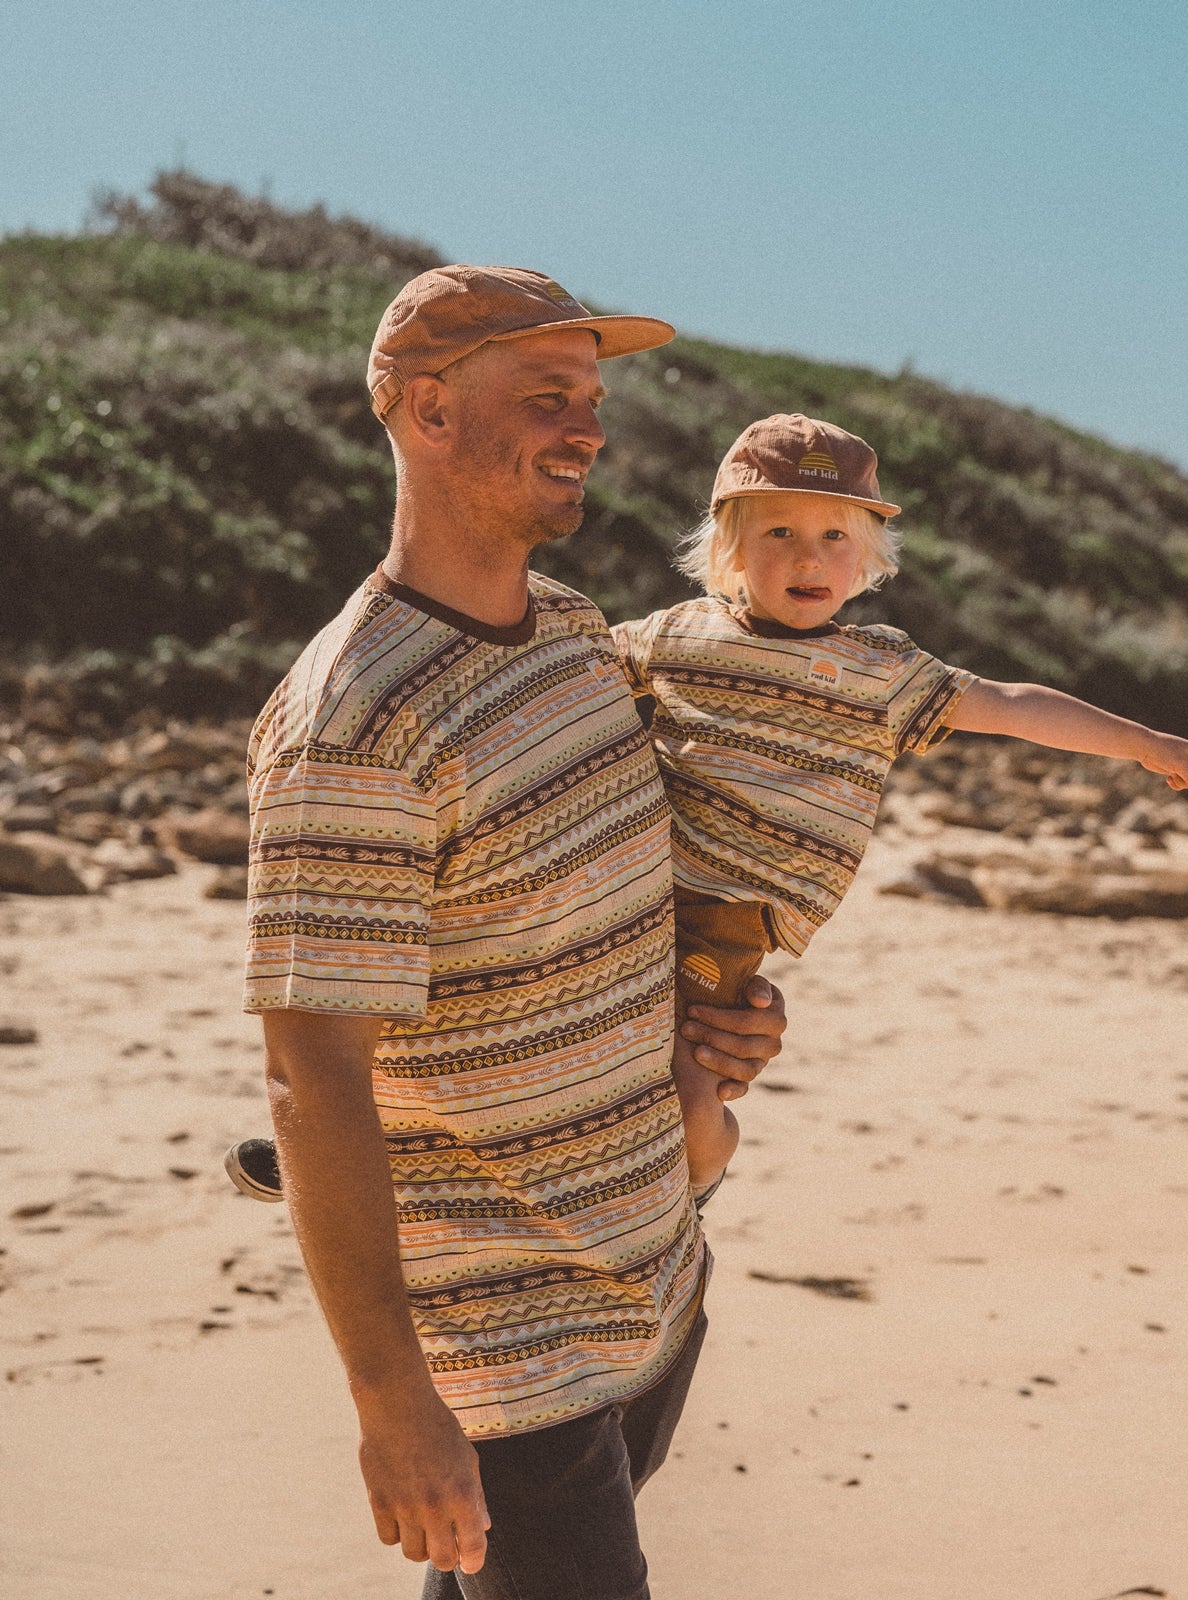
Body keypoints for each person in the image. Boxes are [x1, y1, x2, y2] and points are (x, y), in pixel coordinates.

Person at [240, 264, 787, 1599]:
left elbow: (616, 903)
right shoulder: (350, 726)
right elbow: (312, 1078)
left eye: (591, 398)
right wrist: (393, 1402)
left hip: (653, 1262)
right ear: (428, 413)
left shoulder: (572, 634)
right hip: (506, 1338)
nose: (588, 428)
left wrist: (717, 1013)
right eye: (548, 395)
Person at [607, 413, 1188, 1193]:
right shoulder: (678, 635)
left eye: (834, 538)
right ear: (729, 548)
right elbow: (569, 668)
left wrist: (1147, 744)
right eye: (778, 532)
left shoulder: (883, 671)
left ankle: (697, 1186)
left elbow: (1012, 705)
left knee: (689, 1092)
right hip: (633, 887)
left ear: (867, 558)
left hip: (728, 916)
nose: (808, 556)